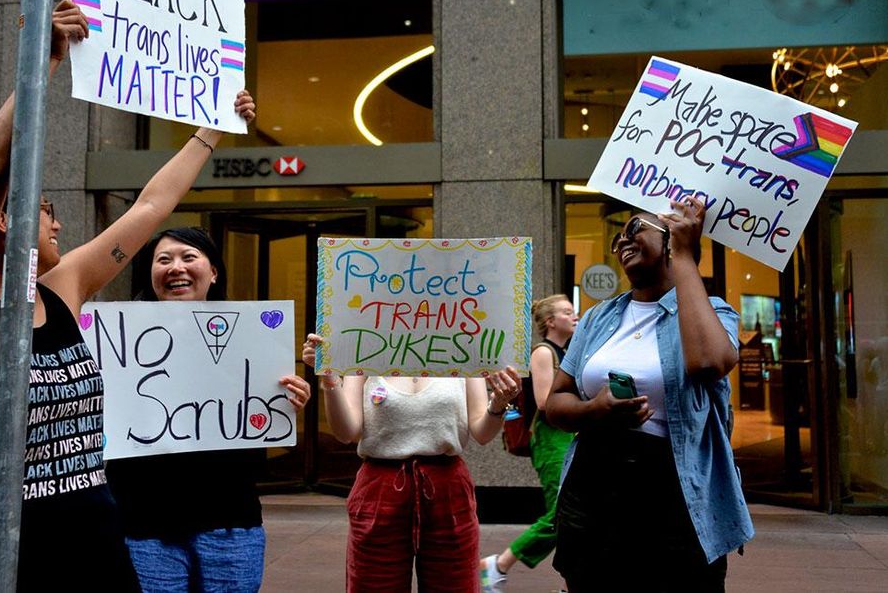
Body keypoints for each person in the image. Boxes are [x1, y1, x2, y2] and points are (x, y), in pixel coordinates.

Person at [0, 0, 256, 591]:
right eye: (45, 210)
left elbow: (152, 207)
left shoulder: (63, 289)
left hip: (98, 539)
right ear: (2, 220)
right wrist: (41, 62)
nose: (57, 226)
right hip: (13, 553)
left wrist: (210, 131)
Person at [544, 199, 754, 593]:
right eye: (618, 236)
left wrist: (686, 257)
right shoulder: (598, 318)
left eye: (635, 227)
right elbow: (555, 403)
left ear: (673, 238)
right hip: (594, 491)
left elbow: (708, 362)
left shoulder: (715, 313)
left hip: (672, 496)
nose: (623, 238)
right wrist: (595, 410)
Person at [104, 226, 311, 593]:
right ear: (149, 273)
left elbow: (262, 428)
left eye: (189, 257)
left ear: (213, 272)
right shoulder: (118, 341)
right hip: (145, 525)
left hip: (229, 521)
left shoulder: (250, 339)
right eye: (163, 260)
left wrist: (291, 399)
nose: (176, 268)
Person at [302, 333, 522, 592]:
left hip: (447, 489)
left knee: (455, 585)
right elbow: (346, 431)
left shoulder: (463, 345)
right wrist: (329, 379)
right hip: (380, 488)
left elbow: (482, 433)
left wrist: (497, 404)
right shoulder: (366, 342)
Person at [480, 294, 578, 592]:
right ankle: (497, 565)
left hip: (568, 437)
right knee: (562, 512)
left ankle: (570, 583)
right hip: (551, 439)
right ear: (551, 322)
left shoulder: (567, 351)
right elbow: (544, 401)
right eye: (566, 312)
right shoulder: (544, 352)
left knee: (572, 514)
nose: (574, 316)